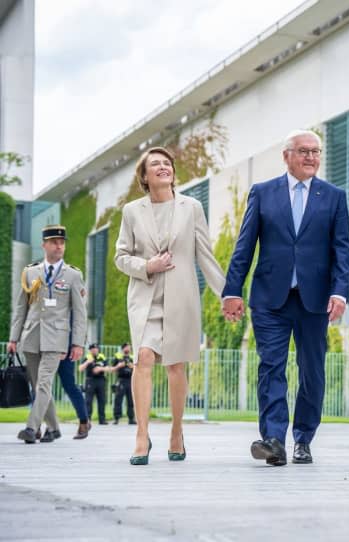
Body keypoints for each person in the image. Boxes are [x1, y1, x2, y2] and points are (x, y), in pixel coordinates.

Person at [222, 130, 349, 467]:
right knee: (271, 367)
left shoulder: (334, 196)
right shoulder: (263, 193)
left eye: (316, 152)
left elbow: (342, 250)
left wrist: (340, 291)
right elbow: (244, 245)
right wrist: (232, 290)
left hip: (316, 300)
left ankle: (303, 439)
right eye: (304, 151)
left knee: (312, 371)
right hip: (270, 298)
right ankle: (274, 439)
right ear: (287, 156)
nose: (311, 157)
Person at [115, 146, 226, 465]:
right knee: (144, 357)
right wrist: (148, 265)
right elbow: (121, 257)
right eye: (155, 165)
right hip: (145, 297)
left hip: (181, 298)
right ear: (145, 176)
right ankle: (141, 434)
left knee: (176, 364)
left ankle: (177, 432)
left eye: (167, 163)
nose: (163, 167)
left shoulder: (191, 207)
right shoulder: (132, 211)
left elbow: (204, 253)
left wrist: (226, 294)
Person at [7, 225, 87, 444]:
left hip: (57, 339)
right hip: (31, 336)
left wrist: (78, 343)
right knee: (38, 385)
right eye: (54, 242)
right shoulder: (30, 272)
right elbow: (21, 308)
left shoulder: (73, 275)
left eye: (62, 242)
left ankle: (31, 428)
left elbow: (80, 313)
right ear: (44, 245)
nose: (59, 246)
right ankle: (54, 429)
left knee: (43, 384)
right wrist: (13, 338)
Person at [56, 351, 91, 439]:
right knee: (42, 387)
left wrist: (77, 345)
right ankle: (38, 426)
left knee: (70, 386)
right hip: (44, 349)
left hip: (65, 350)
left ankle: (84, 421)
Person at [78, 344, 109, 425]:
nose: (94, 350)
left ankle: (102, 419)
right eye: (92, 349)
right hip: (90, 380)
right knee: (88, 400)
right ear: (90, 350)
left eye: (95, 348)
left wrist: (100, 368)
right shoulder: (87, 357)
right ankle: (88, 418)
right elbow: (80, 368)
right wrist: (88, 362)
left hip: (101, 380)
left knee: (102, 400)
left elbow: (108, 368)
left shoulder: (102, 357)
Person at [110, 343, 135, 425]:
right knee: (118, 399)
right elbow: (112, 369)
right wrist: (119, 366)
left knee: (131, 400)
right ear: (123, 348)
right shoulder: (118, 357)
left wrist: (132, 366)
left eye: (130, 348)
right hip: (121, 380)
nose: (129, 349)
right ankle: (117, 418)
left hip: (130, 380)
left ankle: (131, 418)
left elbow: (138, 369)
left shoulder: (132, 357)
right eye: (128, 347)